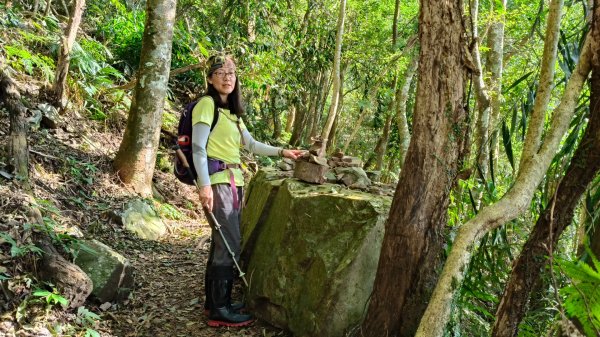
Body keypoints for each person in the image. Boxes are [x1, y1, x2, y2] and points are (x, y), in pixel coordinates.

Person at [191, 53, 304, 327]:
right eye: (221, 73)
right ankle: (220, 310)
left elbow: (251, 145)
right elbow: (197, 149)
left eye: (231, 73)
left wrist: (283, 151)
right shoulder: (206, 105)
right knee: (229, 243)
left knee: (223, 242)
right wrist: (204, 186)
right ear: (210, 79)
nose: (228, 77)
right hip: (218, 183)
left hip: (234, 182)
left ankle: (216, 303)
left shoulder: (231, 113)